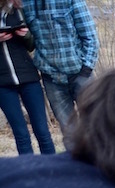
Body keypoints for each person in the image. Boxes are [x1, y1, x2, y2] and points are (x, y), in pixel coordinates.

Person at [21, 0, 98, 129]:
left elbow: (90, 37)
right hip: (51, 79)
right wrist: (24, 35)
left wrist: (86, 69)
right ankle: (75, 151)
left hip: (80, 74)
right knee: (69, 131)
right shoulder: (26, 4)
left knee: (96, 124)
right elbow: (32, 43)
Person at [0, 0, 54, 155]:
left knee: (42, 131)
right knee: (21, 135)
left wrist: (25, 35)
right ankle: (29, 173)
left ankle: (52, 172)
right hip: (3, 84)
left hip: (29, 78)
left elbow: (32, 44)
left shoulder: (20, 10)